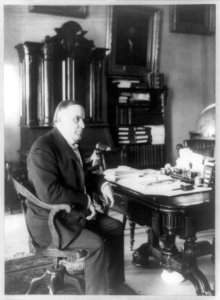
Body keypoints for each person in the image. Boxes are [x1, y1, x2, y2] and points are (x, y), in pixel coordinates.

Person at [26, 100, 125, 295]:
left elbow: (84, 175)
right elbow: (51, 193)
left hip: (70, 215)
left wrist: (102, 184)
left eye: (83, 119)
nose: (83, 125)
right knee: (95, 245)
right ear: (59, 121)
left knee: (115, 227)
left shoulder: (71, 143)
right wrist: (87, 202)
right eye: (77, 119)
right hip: (50, 223)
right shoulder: (43, 148)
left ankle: (112, 285)